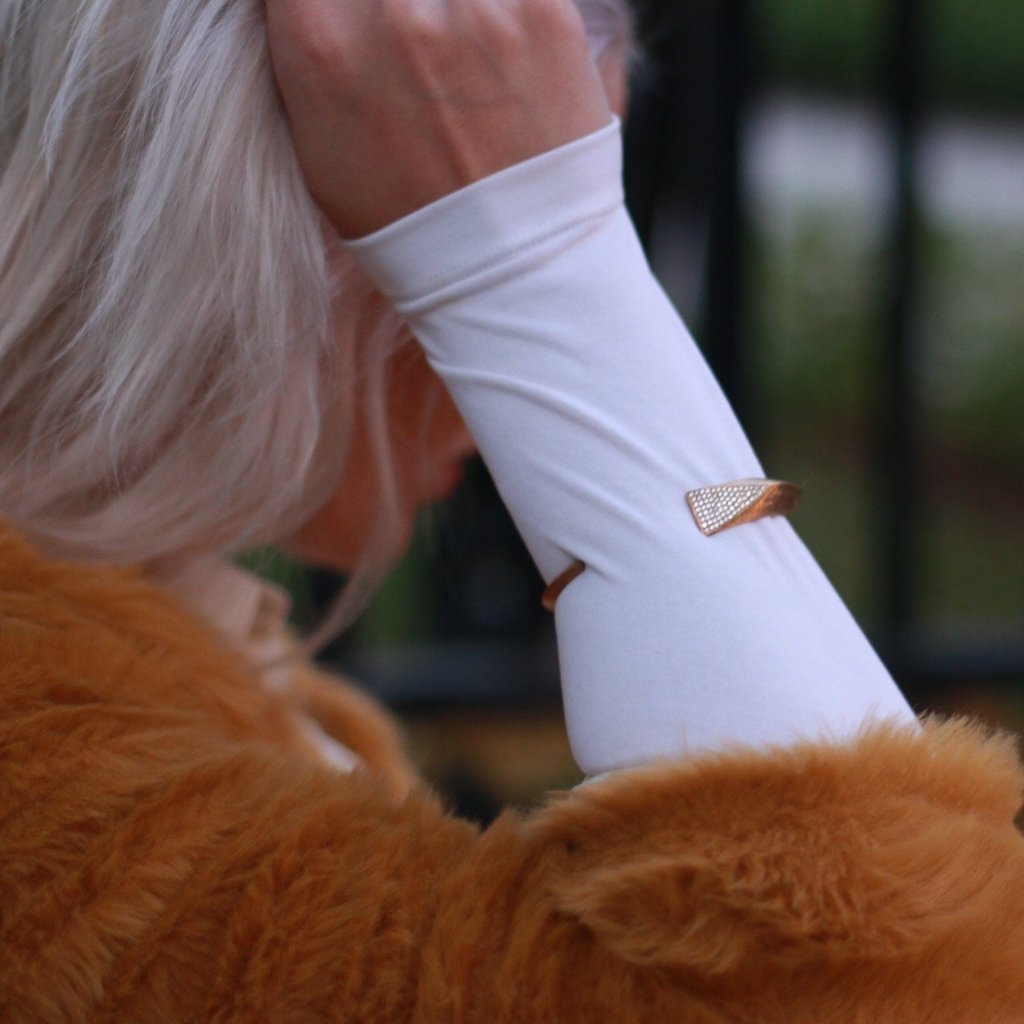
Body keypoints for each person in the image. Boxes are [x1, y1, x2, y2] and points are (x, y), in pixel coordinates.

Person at [0, 0, 1022, 1020]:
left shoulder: (141, 651)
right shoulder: (64, 805)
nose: (497, 421)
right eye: (435, 236)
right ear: (254, 250)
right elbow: (891, 980)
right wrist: (534, 272)